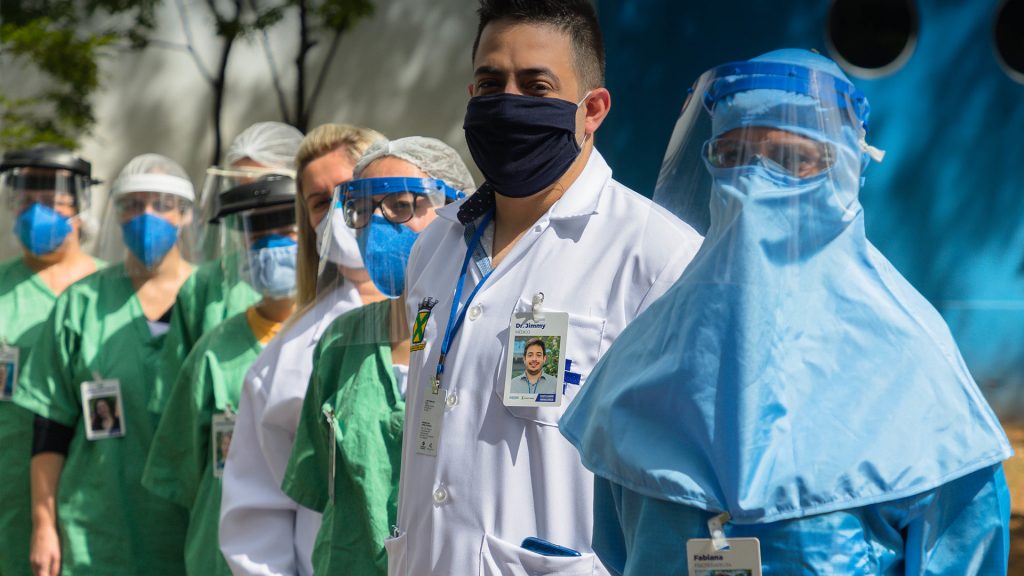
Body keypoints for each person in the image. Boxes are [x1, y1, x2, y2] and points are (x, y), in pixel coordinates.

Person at [559, 49, 1013, 575]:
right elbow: (620, 550)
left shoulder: (915, 372)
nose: (753, 183)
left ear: (845, 172)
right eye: (731, 157)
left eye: (793, 160)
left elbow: (965, 551)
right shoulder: (644, 361)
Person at [387, 1, 703, 573]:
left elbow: (685, 487)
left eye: (536, 87)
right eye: (490, 83)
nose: (508, 104)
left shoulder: (658, 257)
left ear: (593, 110)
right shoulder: (434, 246)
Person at [281, 137, 474, 576]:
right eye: (364, 210)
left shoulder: (479, 333)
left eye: (402, 204)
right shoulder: (341, 342)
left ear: (459, 208)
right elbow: (319, 494)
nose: (378, 224)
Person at [14, 153, 198, 576]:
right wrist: (44, 525)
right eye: (133, 205)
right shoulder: (82, 303)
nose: (145, 216)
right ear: (115, 213)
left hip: (189, 529)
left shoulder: (212, 303)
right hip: (98, 531)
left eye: (160, 204)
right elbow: (50, 427)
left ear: (185, 215)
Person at [219, 123, 383, 576]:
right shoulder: (285, 360)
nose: (337, 213)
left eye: (350, 191)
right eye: (318, 203)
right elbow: (256, 516)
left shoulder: (454, 312)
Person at [142, 174, 300, 576]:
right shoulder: (213, 349)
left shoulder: (335, 333)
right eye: (255, 233)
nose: (269, 244)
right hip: (222, 556)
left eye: (285, 229)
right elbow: (186, 469)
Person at [152, 121, 304, 412]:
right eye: (243, 197)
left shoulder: (335, 280)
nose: (257, 205)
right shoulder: (206, 285)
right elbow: (178, 406)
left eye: (267, 190)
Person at [0, 146, 102, 576]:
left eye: (51, 201)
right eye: (27, 201)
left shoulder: (110, 292)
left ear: (80, 206)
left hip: (95, 495)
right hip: (9, 497)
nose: (37, 212)